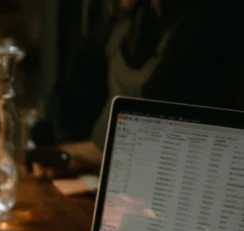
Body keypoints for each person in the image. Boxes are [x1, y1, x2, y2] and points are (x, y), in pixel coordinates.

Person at [28, 0, 244, 178]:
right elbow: (106, 143)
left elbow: (169, 145)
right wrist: (66, 157)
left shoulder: (210, 24)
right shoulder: (131, 25)